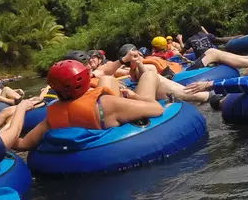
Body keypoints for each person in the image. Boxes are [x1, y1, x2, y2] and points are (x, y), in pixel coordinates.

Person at [12, 60, 166, 149]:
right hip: (109, 116)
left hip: (97, 119)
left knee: (107, 80)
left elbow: (23, 144)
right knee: (149, 75)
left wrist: (17, 113)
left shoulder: (52, 118)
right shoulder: (109, 103)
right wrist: (134, 96)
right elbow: (157, 109)